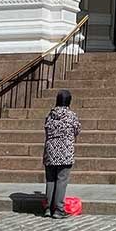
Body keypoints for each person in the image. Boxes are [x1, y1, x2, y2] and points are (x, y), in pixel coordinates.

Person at [42, 90, 81, 219]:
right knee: (61, 180)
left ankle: (48, 208)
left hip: (50, 151)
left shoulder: (50, 115)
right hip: (65, 151)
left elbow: (46, 129)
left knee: (51, 180)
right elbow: (77, 130)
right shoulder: (71, 115)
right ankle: (59, 209)